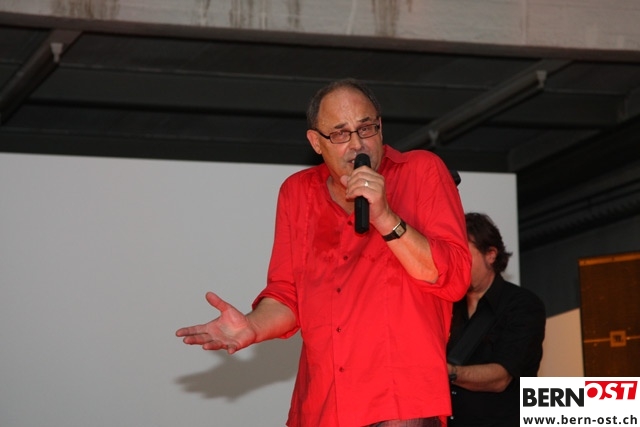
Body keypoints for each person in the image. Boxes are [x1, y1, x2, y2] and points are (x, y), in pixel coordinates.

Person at [176, 78, 471, 427]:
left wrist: (385, 217)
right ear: (316, 142)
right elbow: (288, 295)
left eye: (366, 128)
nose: (357, 144)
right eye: (340, 133)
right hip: (324, 403)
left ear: (380, 127)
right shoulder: (297, 193)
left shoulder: (421, 170)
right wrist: (252, 326)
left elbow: (454, 278)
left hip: (400, 399)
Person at [446, 212, 546, 427]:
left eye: (464, 254)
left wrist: (447, 372)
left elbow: (501, 377)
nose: (456, 264)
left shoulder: (523, 304)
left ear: (491, 254)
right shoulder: (447, 305)